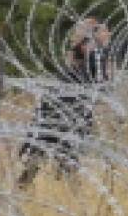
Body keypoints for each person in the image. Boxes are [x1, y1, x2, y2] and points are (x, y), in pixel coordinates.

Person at [18, 17, 110, 186]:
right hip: (64, 109)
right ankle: (27, 187)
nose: (108, 34)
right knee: (49, 152)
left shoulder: (92, 57)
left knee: (58, 155)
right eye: (103, 30)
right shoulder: (91, 54)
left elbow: (101, 83)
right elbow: (99, 81)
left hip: (68, 110)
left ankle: (63, 191)